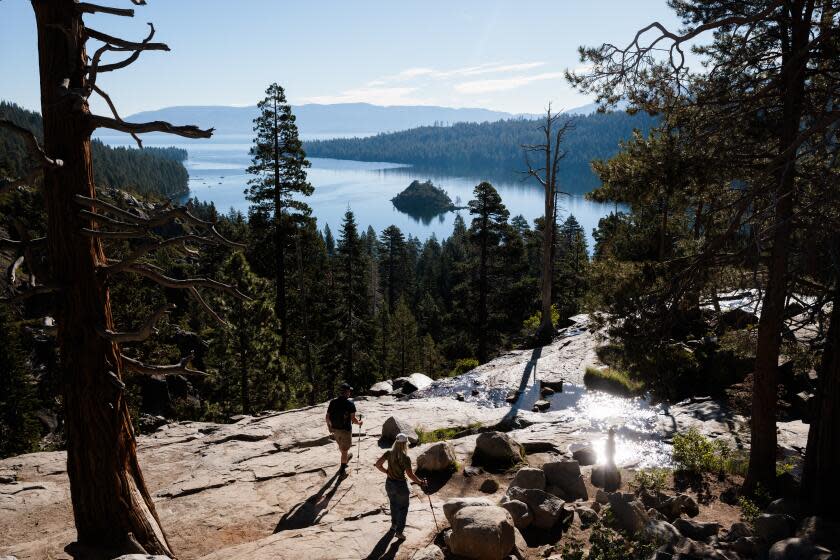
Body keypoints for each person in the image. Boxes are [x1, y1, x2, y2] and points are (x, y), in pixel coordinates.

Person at [374, 432, 426, 540]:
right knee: (403, 508)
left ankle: (394, 525)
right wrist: (420, 482)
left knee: (393, 505)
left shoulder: (388, 453)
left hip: (389, 484)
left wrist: (387, 471)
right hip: (400, 486)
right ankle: (399, 532)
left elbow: (378, 464)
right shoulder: (405, 458)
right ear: (404, 444)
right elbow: (410, 475)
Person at [326, 383, 363, 474]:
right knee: (345, 451)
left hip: (335, 429)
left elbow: (327, 417)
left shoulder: (333, 402)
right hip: (346, 430)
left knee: (342, 447)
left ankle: (345, 457)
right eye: (349, 391)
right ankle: (342, 469)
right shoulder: (350, 404)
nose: (350, 392)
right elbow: (353, 419)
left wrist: (330, 427)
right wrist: (359, 423)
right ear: (347, 392)